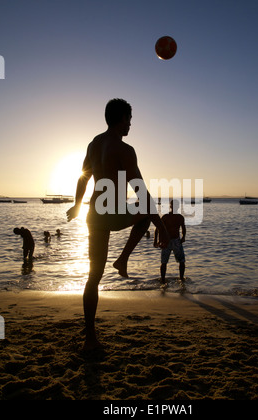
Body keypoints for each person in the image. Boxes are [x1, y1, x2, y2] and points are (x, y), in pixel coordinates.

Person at [66, 98, 169, 351]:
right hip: (113, 212)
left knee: (94, 277)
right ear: (121, 119)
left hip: (95, 213)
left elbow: (83, 177)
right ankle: (123, 259)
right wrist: (163, 227)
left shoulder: (94, 144)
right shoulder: (125, 149)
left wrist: (78, 205)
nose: (130, 124)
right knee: (146, 213)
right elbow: (142, 192)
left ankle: (90, 338)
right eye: (129, 119)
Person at [154, 199, 186, 284]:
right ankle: (163, 280)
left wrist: (183, 237)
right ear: (171, 206)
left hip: (176, 241)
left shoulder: (180, 217)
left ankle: (181, 279)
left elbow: (183, 228)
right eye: (173, 205)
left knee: (181, 261)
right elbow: (157, 229)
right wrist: (156, 241)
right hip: (166, 241)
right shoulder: (165, 217)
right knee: (164, 262)